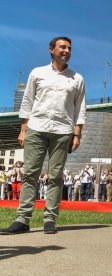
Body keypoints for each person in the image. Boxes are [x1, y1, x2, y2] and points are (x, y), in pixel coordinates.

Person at [0, 36, 86, 235]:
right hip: (36, 128)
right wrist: (23, 129)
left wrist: (77, 134)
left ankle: (50, 219)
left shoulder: (77, 78)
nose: (66, 51)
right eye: (62, 47)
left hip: (63, 131)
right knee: (30, 174)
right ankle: (22, 220)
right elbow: (27, 101)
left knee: (55, 176)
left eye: (69, 48)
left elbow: (80, 108)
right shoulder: (37, 73)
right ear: (51, 49)